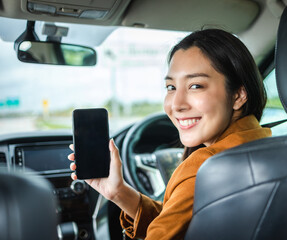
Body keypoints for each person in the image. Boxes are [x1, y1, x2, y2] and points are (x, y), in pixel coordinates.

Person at [68, 28, 272, 239]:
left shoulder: (204, 168)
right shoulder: (273, 146)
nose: (176, 104)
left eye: (195, 85)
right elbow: (179, 223)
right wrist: (118, 192)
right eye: (171, 87)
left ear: (238, 95)